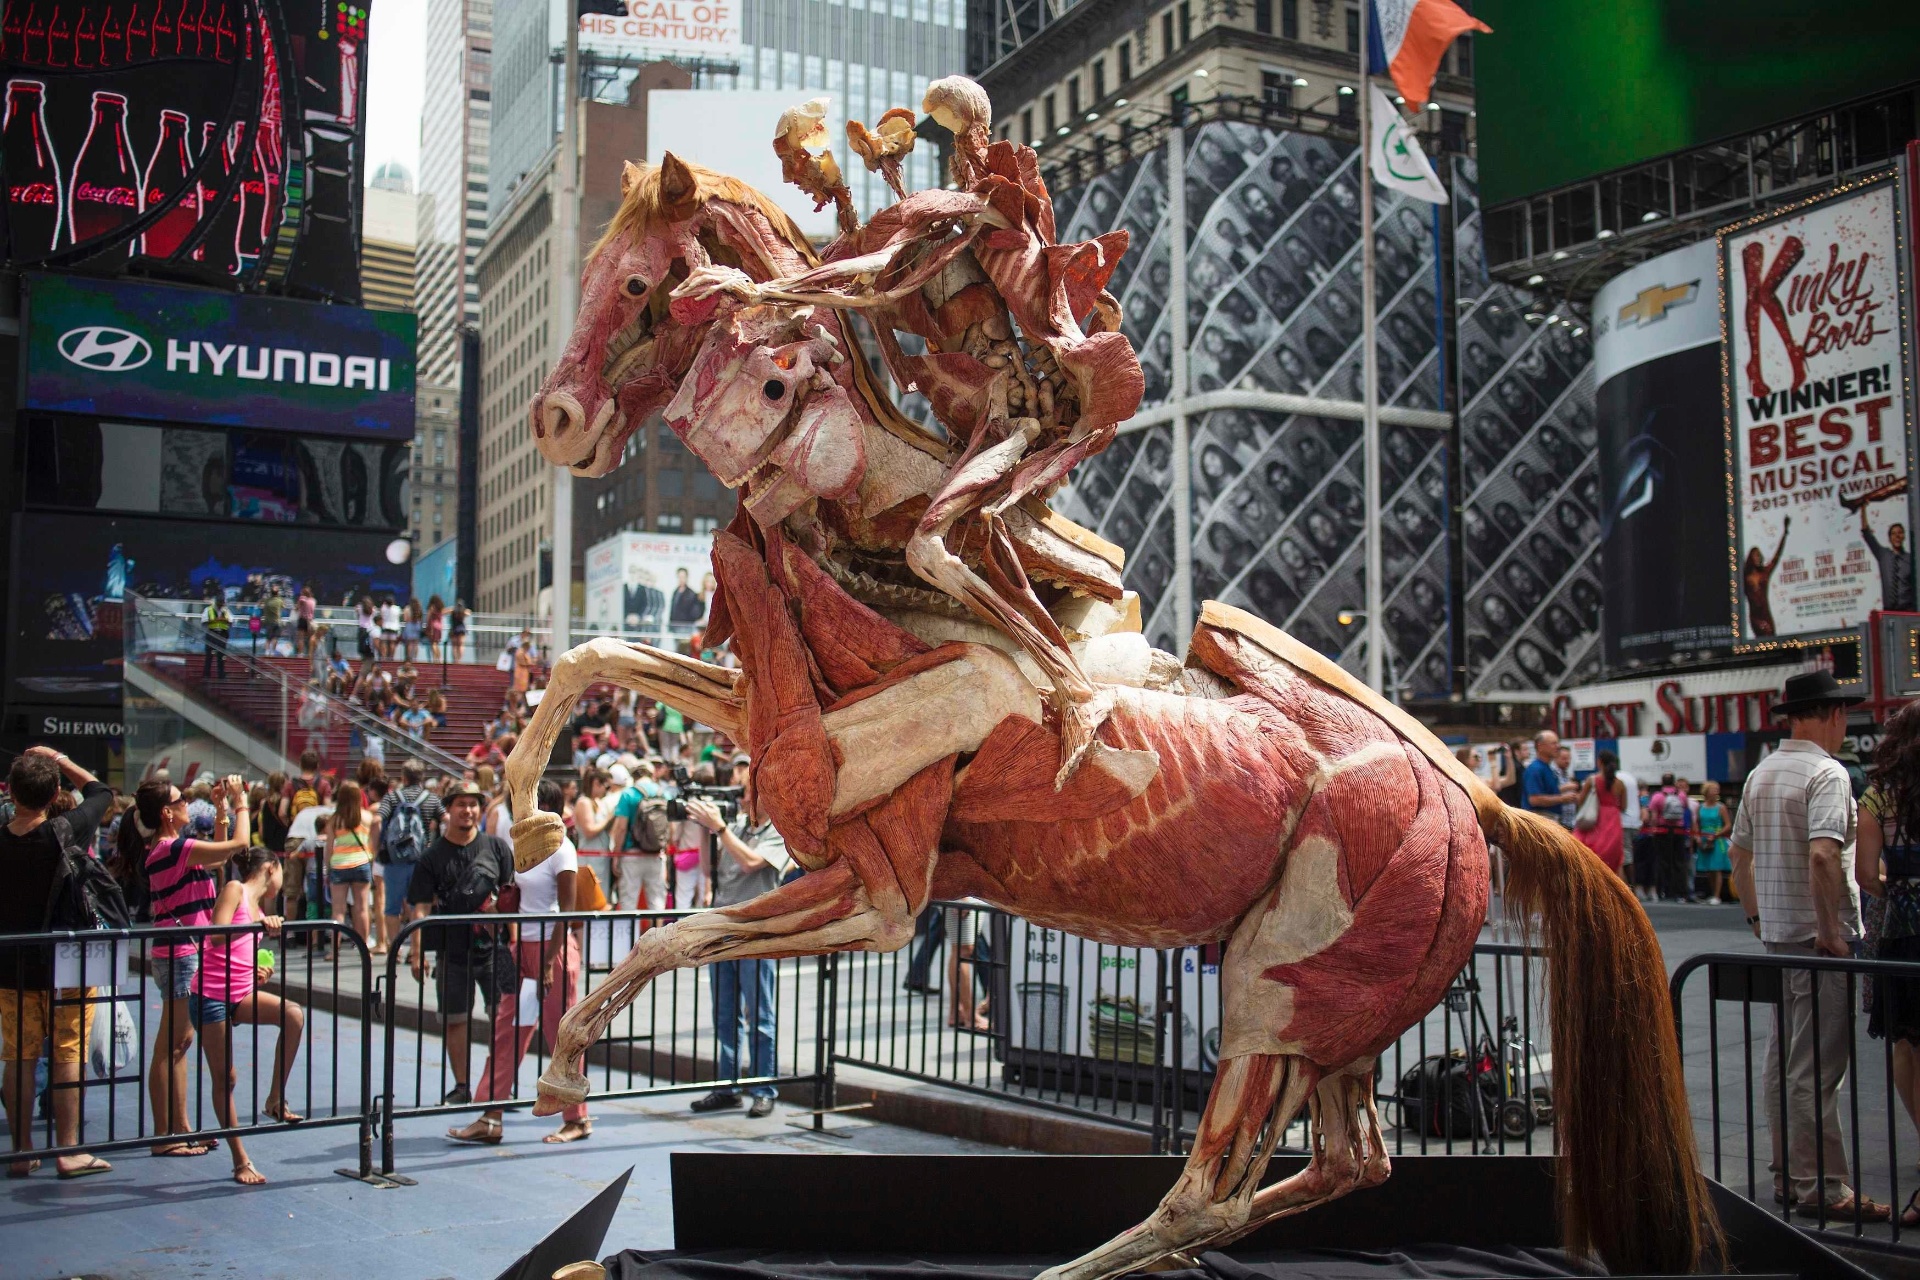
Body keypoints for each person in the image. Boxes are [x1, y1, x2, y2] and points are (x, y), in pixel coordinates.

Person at [1729, 670, 1886, 1221]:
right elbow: (1824, 855)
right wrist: (1830, 930)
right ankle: (1820, 1183)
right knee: (1816, 1067)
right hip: (1817, 943)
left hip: (1777, 936)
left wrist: (1755, 915)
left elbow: (1738, 856)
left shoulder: (1761, 773)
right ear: (1833, 715)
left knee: (1783, 1060)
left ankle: (1787, 1173)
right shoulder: (1827, 772)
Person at [116, 773, 255, 1159]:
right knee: (172, 1045)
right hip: (178, 955)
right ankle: (166, 1134)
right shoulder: (169, 849)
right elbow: (241, 845)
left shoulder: (174, 848)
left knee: (179, 1042)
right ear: (166, 812)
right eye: (180, 801)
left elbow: (222, 854)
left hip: (181, 952)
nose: (186, 805)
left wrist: (223, 810)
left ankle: (180, 1128)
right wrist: (242, 801)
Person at [449, 780, 592, 1145]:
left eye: (530, 804)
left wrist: (546, 962)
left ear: (548, 810)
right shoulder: (523, 849)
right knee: (507, 1031)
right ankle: (491, 1116)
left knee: (563, 1036)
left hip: (552, 952)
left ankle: (577, 1118)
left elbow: (567, 913)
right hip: (526, 951)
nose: (522, 811)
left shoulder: (563, 851)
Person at [0, 747, 114, 1178]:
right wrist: (61, 760)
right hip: (66, 961)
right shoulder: (65, 831)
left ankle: (21, 1150)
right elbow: (100, 792)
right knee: (68, 1053)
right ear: (52, 797)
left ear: (11, 792)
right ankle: (69, 1150)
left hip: (11, 963)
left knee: (19, 1056)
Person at [684, 755, 790, 1117]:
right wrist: (704, 827)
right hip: (724, 929)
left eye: (746, 789)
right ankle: (727, 1086)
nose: (741, 795)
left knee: (760, 1013)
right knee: (725, 1014)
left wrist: (720, 829)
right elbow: (706, 868)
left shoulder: (777, 828)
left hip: (756, 932)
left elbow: (751, 863)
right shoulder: (738, 825)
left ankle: (764, 1087)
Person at [192, 847, 305, 1184]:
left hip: (240, 993)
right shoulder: (235, 891)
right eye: (281, 870)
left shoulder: (257, 906)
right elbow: (215, 936)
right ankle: (241, 1160)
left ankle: (274, 1099)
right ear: (271, 868)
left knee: (293, 1015)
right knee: (225, 1078)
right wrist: (258, 923)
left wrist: (260, 969)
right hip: (211, 995)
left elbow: (238, 953)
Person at [408, 782, 517, 1105]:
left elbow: (511, 899)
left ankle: (498, 1086)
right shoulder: (431, 857)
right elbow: (421, 907)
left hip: (496, 950)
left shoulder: (497, 848)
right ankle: (462, 1085)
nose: (467, 810)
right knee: (455, 1019)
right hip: (451, 951)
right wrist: (416, 953)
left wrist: (514, 943)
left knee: (504, 1019)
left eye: (473, 804)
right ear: (448, 809)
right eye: (461, 804)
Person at [1857, 700, 1920, 1226]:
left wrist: (1900, 889)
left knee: (1906, 1047)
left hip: (1904, 937)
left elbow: (1863, 875)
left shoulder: (1879, 796)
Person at [378, 760, 443, 957]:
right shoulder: (431, 799)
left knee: (392, 907)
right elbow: (446, 819)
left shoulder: (391, 797)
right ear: (422, 778)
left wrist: (378, 846)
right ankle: (416, 951)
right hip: (420, 860)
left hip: (394, 861)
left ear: (403, 777)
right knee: (419, 906)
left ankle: (394, 949)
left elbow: (378, 818)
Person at [608, 761, 668, 912]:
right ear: (652, 774)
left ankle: (631, 936)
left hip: (631, 854)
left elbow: (621, 828)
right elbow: (669, 827)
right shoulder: (663, 793)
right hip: (656, 854)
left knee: (629, 902)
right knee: (657, 902)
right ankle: (659, 936)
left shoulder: (628, 794)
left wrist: (616, 855)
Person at [325, 780, 375, 950]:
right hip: (361, 863)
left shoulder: (334, 819)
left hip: (339, 866)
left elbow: (329, 847)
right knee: (362, 908)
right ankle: (364, 948)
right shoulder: (367, 817)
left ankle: (334, 951)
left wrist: (327, 868)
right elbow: (373, 844)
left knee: (338, 910)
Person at [1573, 750, 1627, 876]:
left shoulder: (1592, 780)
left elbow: (1581, 801)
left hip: (1595, 818)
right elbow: (1624, 806)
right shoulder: (1620, 784)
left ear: (1599, 762)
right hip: (1614, 821)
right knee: (1613, 859)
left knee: (1591, 854)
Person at [1646, 774, 1695, 902]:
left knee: (1663, 861)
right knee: (1679, 861)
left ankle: (1664, 890)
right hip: (1679, 831)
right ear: (1674, 782)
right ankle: (1680, 891)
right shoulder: (1681, 795)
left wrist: (1653, 829)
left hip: (1662, 831)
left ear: (1662, 782)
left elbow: (1654, 816)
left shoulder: (1657, 796)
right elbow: (1684, 810)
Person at [571, 768, 615, 900]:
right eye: (605, 786)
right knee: (591, 898)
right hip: (589, 858)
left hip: (602, 857)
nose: (607, 790)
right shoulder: (584, 802)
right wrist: (609, 819)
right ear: (596, 783)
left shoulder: (599, 802)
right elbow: (589, 830)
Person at [1743, 519, 1791, 637]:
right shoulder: (1744, 577)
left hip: (1766, 615)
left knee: (1771, 639)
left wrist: (1785, 533)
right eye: (1756, 555)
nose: (1759, 558)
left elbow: (1776, 557)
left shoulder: (1764, 572)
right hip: (1755, 617)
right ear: (1751, 558)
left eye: (1760, 555)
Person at [1862, 505, 1915, 612]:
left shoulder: (1911, 559)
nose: (1897, 536)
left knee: (1913, 630)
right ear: (1889, 538)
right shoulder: (1883, 555)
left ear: (1904, 536)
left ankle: (1914, 630)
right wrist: (1863, 508)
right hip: (1890, 612)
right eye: (1893, 534)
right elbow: (1867, 533)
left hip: (1908, 610)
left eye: (1900, 533)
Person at [1519, 730, 1577, 827]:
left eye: (1558, 743)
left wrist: (1563, 789)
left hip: (1549, 820)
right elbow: (1534, 799)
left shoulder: (1546, 768)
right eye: (1553, 743)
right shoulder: (1535, 769)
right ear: (1540, 746)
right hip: (1541, 822)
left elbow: (1547, 792)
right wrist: (1562, 798)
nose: (1557, 746)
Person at [1694, 782, 1731, 904]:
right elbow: (1697, 823)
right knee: (1709, 869)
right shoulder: (1700, 807)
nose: (1716, 792)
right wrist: (1698, 837)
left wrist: (1716, 835)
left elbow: (1728, 825)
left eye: (1717, 789)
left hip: (1717, 839)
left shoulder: (1721, 807)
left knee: (1716, 867)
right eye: (1713, 789)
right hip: (1705, 838)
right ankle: (1712, 892)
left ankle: (1717, 895)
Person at [202, 593, 233, 680]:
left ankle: (221, 675)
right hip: (212, 633)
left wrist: (224, 620)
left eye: (222, 603)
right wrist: (215, 620)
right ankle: (206, 675)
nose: (220, 605)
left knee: (221, 656)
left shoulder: (226, 611)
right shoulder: (208, 609)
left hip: (222, 634)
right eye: (219, 603)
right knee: (209, 655)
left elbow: (231, 621)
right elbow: (204, 621)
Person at [295, 583, 317, 657]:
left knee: (301, 638)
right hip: (310, 620)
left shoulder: (302, 599)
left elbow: (297, 608)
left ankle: (300, 653)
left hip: (302, 619)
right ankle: (311, 653)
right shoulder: (313, 600)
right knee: (311, 638)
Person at [261, 585, 285, 651]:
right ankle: (272, 652)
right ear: (278, 593)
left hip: (268, 622)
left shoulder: (267, 600)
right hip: (277, 622)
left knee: (268, 638)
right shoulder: (279, 600)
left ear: (271, 593)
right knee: (275, 638)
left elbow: (261, 604)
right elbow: (283, 606)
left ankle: (267, 652)